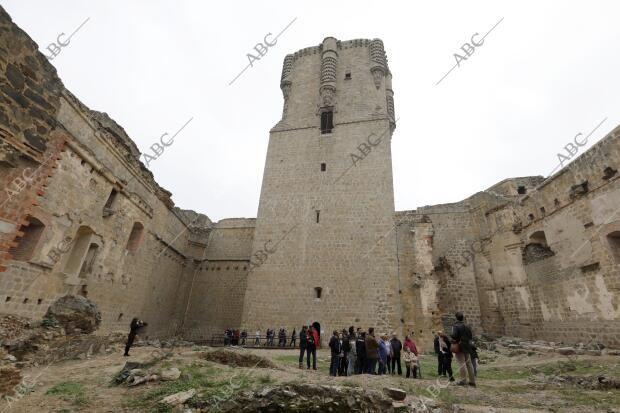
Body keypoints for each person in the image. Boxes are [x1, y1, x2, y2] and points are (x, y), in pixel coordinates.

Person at [451, 311, 476, 386]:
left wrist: (452, 337)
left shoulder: (456, 326)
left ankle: (463, 380)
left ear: (456, 318)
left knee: (461, 363)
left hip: (459, 346)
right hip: (467, 346)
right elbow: (470, 336)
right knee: (469, 363)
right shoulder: (467, 326)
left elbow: (454, 336)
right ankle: (472, 381)